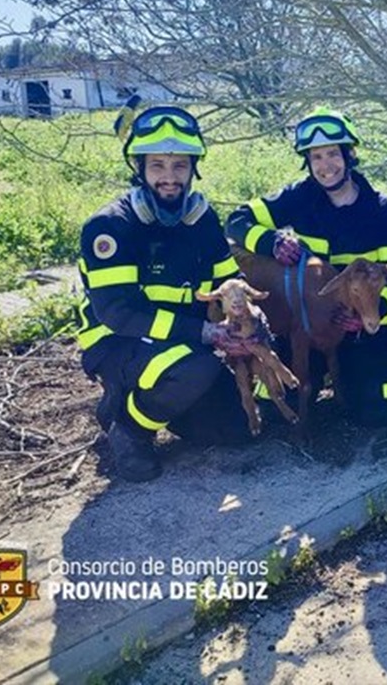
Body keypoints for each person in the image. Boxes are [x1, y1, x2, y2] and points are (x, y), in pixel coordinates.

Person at [77, 101, 258, 482]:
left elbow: (230, 281)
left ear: (193, 169)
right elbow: (119, 314)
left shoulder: (201, 219)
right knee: (197, 368)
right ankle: (129, 428)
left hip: (177, 342)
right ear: (139, 168)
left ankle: (148, 404)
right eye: (157, 165)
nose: (169, 177)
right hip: (118, 342)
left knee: (236, 428)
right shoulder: (109, 228)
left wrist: (249, 322)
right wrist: (206, 333)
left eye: (180, 166)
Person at [225, 107, 387, 427]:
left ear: (349, 155)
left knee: (378, 414)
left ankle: (355, 386)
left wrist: (373, 310)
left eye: (332, 154)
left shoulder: (385, 212)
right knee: (279, 409)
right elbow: (236, 222)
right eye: (316, 158)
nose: (326, 166)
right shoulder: (299, 197)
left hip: (363, 327)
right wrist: (272, 242)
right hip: (309, 324)